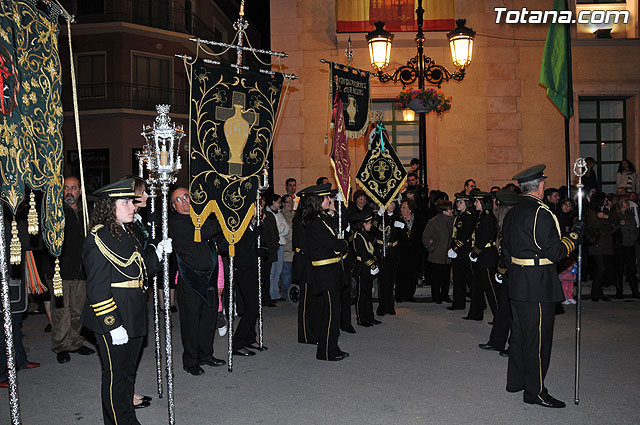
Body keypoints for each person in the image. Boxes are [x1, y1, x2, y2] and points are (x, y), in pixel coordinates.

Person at [82, 178, 167, 424]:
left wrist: (157, 253)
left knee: (128, 374)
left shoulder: (127, 232)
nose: (133, 206)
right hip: (113, 314)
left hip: (134, 310)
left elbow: (139, 270)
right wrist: (112, 324)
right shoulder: (97, 238)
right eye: (126, 201)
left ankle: (129, 419)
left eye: (131, 201)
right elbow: (97, 289)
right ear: (110, 206)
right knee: (115, 377)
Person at [501, 164, 582, 408]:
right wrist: (576, 235)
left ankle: (516, 381)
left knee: (519, 335)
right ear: (541, 186)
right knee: (537, 340)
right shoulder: (541, 212)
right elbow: (555, 251)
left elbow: (505, 248)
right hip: (536, 284)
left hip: (517, 280)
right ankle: (534, 392)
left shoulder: (513, 212)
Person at [169, 187, 225, 376]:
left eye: (187, 196)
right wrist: (225, 216)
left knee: (209, 319)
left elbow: (220, 242)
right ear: (174, 206)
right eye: (179, 199)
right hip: (190, 280)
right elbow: (204, 232)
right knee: (191, 322)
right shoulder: (178, 223)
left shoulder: (201, 218)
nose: (184, 201)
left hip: (209, 277)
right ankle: (190, 360)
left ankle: (206, 354)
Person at [48, 176, 95, 364]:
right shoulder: (56, 213)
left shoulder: (87, 213)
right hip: (59, 271)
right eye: (65, 188)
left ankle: (75, 342)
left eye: (73, 188)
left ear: (80, 191)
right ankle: (61, 346)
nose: (68, 192)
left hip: (81, 271)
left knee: (78, 310)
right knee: (61, 311)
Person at [302, 183, 349, 361]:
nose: (330, 199)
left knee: (333, 312)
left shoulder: (323, 219)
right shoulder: (315, 224)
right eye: (327, 198)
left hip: (332, 271)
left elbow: (342, 226)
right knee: (331, 313)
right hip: (325, 273)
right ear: (318, 201)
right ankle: (326, 352)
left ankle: (333, 347)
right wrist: (343, 245)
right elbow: (336, 243)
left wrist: (338, 208)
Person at [479, 189, 520, 357]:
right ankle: (496, 341)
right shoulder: (508, 222)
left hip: (515, 272)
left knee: (515, 314)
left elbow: (509, 251)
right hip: (507, 271)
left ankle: (514, 347)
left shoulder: (513, 223)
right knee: (503, 310)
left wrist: (501, 271)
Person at [466, 191, 500, 321]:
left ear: (482, 203)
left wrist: (475, 252)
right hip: (482, 255)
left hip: (487, 256)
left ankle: (499, 317)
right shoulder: (481, 217)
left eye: (476, 202)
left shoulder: (488, 217)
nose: (474, 204)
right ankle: (476, 313)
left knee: (492, 289)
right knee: (477, 286)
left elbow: (484, 238)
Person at [586, 191, 618, 302]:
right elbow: (596, 225)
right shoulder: (592, 212)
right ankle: (595, 293)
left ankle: (599, 292)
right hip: (597, 243)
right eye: (604, 198)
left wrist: (605, 218)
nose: (606, 200)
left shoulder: (605, 211)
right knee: (601, 268)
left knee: (603, 269)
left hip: (606, 243)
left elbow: (615, 224)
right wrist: (607, 222)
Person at [446, 192, 475, 311]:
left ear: (466, 204)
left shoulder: (468, 216)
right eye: (457, 201)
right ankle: (458, 303)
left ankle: (478, 302)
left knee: (470, 278)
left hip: (464, 251)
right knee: (458, 278)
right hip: (458, 252)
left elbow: (465, 235)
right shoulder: (460, 216)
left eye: (460, 202)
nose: (457, 204)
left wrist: (455, 248)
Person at [351, 207, 380, 327]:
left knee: (368, 294)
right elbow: (363, 255)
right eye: (368, 223)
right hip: (362, 268)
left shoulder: (365, 235)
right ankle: (361, 318)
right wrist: (372, 266)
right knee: (362, 294)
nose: (370, 225)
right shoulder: (358, 237)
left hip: (367, 268)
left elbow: (371, 252)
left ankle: (369, 316)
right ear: (363, 224)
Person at [374, 201, 402, 316]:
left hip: (393, 251)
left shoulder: (397, 217)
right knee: (382, 280)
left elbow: (407, 235)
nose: (392, 206)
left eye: (394, 204)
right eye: (390, 204)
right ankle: (382, 305)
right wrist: (379, 214)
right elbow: (373, 229)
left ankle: (390, 305)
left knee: (390, 280)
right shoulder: (380, 217)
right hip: (381, 251)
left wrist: (403, 226)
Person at [422, 200, 454, 304]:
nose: (452, 211)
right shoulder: (433, 221)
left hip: (448, 255)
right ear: (444, 210)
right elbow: (425, 238)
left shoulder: (453, 220)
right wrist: (432, 249)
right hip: (436, 255)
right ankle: (436, 297)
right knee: (436, 278)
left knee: (446, 278)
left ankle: (445, 295)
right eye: (450, 209)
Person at [395, 199, 426, 302]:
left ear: (410, 209)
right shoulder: (398, 220)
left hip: (414, 251)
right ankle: (399, 295)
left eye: (404, 208)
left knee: (412, 274)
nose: (402, 210)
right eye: (402, 208)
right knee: (401, 274)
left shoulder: (419, 220)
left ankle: (409, 295)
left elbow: (420, 235)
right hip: (401, 252)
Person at [267, 193, 289, 301]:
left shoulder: (279, 214)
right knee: (272, 271)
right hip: (273, 245)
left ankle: (276, 293)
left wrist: (281, 228)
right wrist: (281, 228)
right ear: (273, 202)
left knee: (278, 271)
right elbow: (276, 230)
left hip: (281, 243)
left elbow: (286, 229)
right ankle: (271, 293)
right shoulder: (268, 214)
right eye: (279, 202)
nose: (280, 204)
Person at [280, 194, 295, 300]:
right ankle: (285, 294)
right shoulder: (281, 215)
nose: (290, 204)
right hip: (287, 250)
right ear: (283, 204)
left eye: (291, 202)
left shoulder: (296, 215)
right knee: (286, 274)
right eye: (288, 202)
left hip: (296, 250)